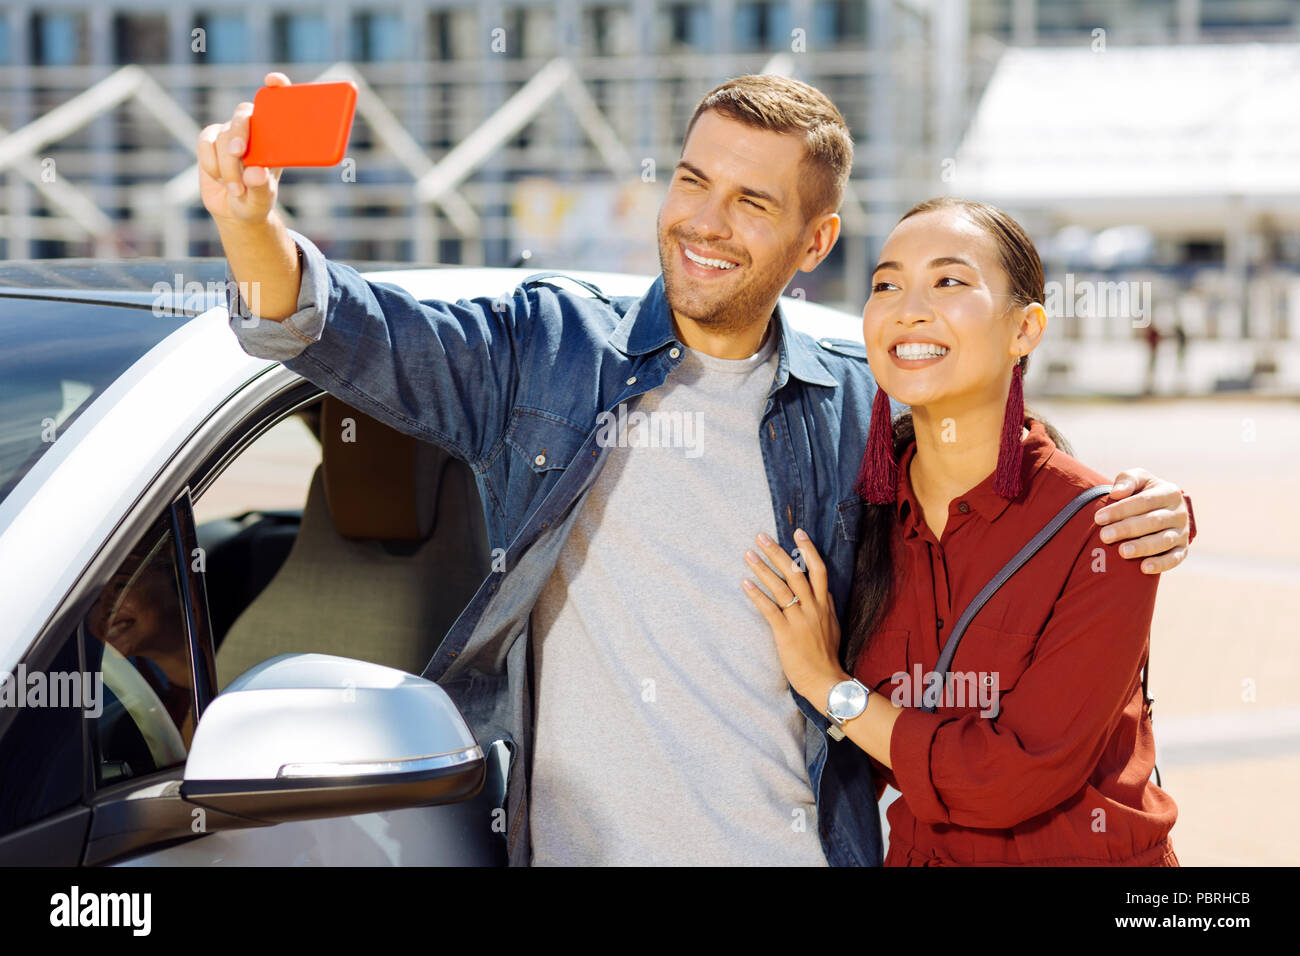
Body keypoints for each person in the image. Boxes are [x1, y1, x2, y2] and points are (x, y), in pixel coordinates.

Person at [197, 72, 1195, 866]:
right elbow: (349, 330)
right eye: (691, 180)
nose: (704, 221)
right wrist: (249, 226)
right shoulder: (546, 351)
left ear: (814, 241)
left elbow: (997, 461)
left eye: (750, 201)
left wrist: (1146, 505)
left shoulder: (857, 398)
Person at [743, 197, 1178, 865]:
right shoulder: (855, 515)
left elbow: (1012, 777)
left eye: (949, 281)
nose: (907, 307)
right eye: (886, 283)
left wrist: (830, 686)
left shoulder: (1106, 529)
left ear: (1025, 329)